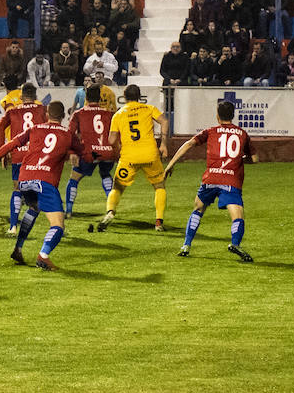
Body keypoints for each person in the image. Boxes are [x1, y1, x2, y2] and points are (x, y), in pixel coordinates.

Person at [0, 100, 78, 271]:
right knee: (58, 226)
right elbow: (81, 151)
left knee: (33, 208)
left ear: (46, 115)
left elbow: (11, 144)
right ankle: (43, 256)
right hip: (44, 182)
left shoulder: (35, 129)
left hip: (25, 179)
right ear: (63, 116)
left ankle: (18, 247)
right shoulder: (67, 134)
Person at [164, 99, 254, 262]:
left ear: (217, 116)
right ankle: (235, 244)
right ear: (233, 116)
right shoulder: (243, 134)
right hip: (231, 180)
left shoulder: (211, 131)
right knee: (237, 215)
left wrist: (170, 164)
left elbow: (189, 144)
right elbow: (255, 159)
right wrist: (242, 159)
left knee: (198, 209)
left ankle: (186, 245)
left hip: (211, 178)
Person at [98, 84, 169, 232]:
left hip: (129, 157)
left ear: (124, 97)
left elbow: (111, 140)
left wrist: (118, 149)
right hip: (150, 154)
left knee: (117, 187)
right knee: (159, 186)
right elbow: (164, 121)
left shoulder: (118, 114)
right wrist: (163, 144)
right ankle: (158, 222)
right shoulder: (149, 109)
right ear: (139, 96)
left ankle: (110, 212)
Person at [0, 81, 47, 235]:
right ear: (35, 96)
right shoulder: (42, 109)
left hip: (18, 154)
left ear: (22, 96)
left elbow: (0, 127)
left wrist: (2, 150)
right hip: (36, 155)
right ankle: (57, 226)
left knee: (17, 189)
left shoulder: (13, 111)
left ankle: (13, 227)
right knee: (44, 189)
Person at [64, 83, 116, 218]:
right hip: (107, 151)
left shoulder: (78, 114)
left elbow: (70, 134)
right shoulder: (110, 114)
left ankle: (68, 210)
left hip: (89, 152)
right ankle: (111, 209)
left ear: (86, 97)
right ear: (99, 98)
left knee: (74, 178)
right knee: (105, 174)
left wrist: (71, 153)